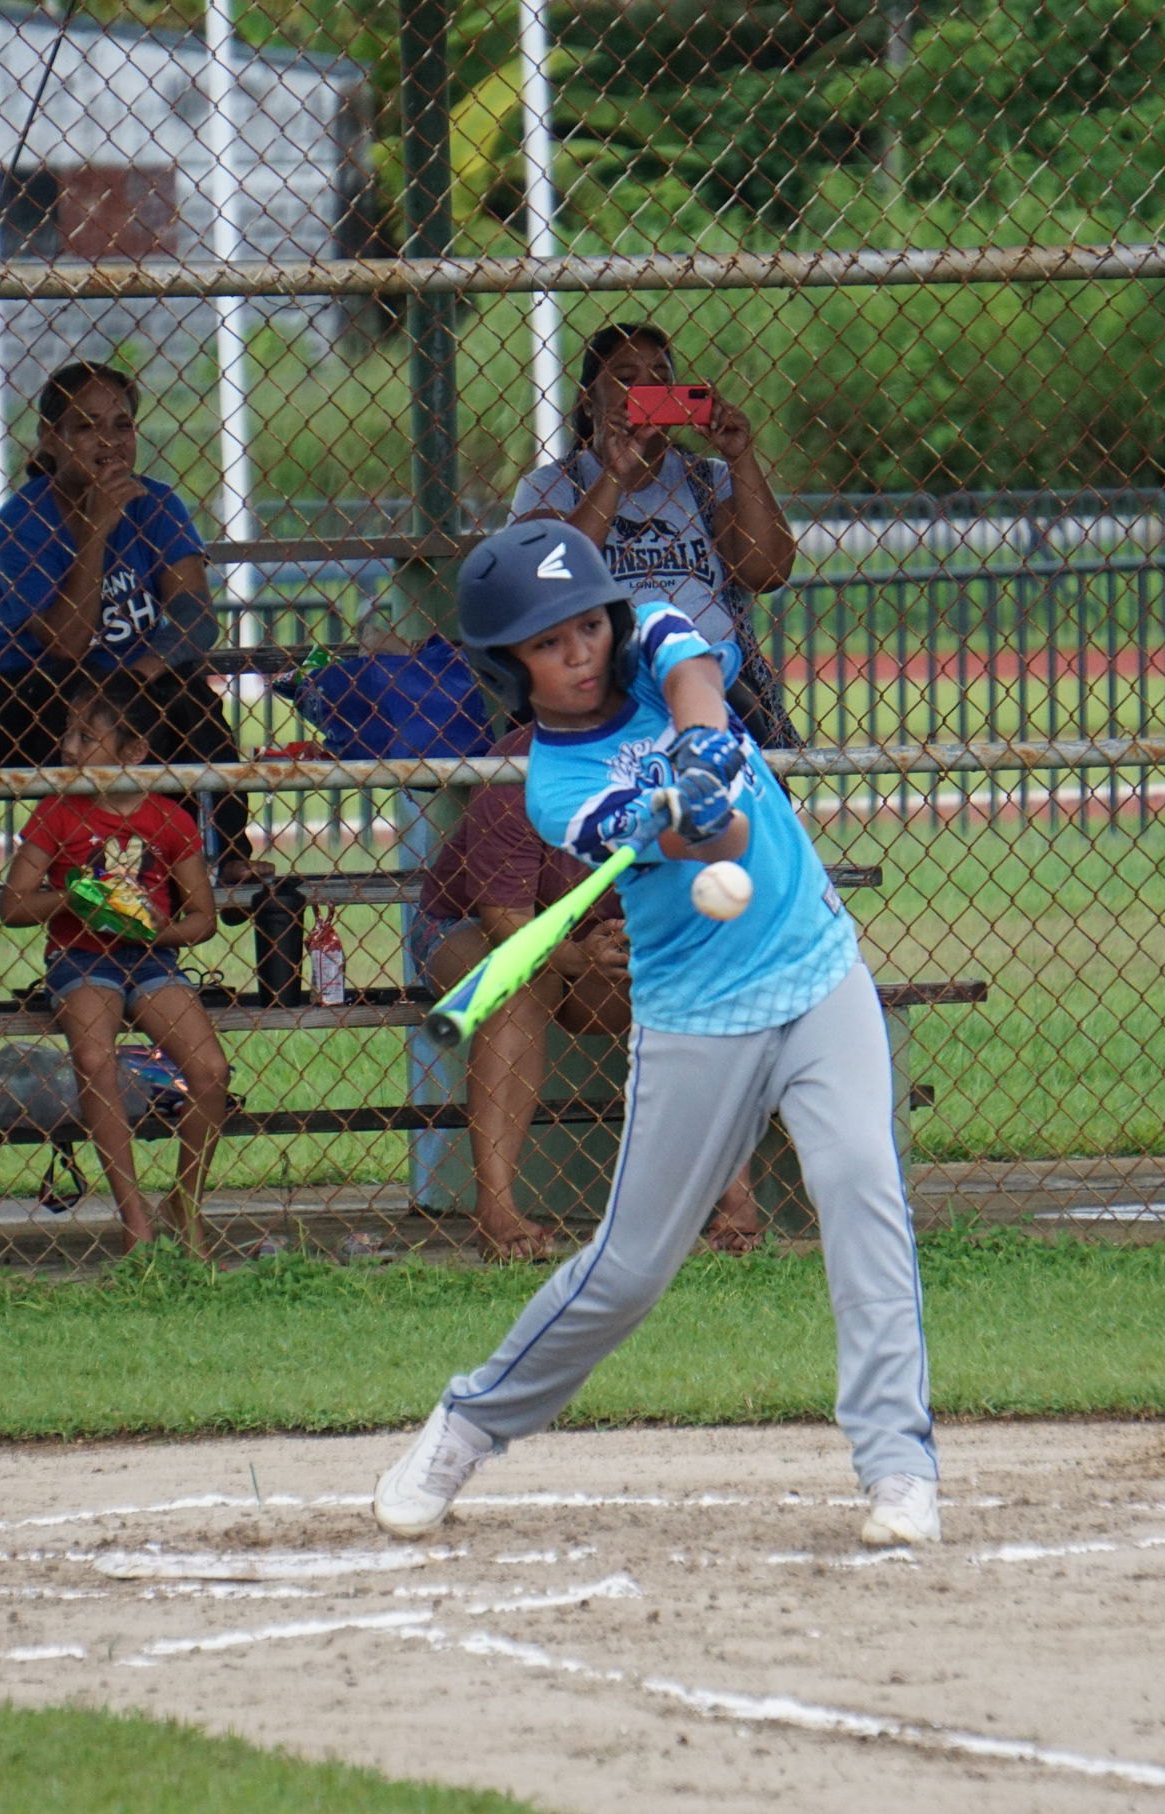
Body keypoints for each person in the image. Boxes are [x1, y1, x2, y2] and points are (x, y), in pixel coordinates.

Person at [373, 519, 939, 1549]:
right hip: (695, 1017)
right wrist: (692, 799)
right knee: (628, 1271)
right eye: (548, 640)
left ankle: (899, 1466)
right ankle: (466, 1423)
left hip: (815, 968)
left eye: (586, 623)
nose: (579, 648)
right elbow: (713, 834)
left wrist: (702, 742)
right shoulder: (558, 788)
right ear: (512, 662)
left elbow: (693, 682)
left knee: (862, 1184)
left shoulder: (656, 633)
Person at [414, 717, 762, 1261]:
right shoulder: (518, 766)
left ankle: (735, 1199)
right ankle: (497, 1209)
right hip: (474, 929)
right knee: (525, 979)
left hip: (605, 938)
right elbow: (507, 924)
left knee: (692, 981)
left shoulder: (676, 764)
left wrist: (632, 946)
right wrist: (579, 956)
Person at [0, 360, 270, 884]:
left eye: (122, 424)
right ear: (51, 439)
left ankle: (225, 854)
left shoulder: (157, 503)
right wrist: (98, 529)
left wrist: (141, 675)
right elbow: (65, 643)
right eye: (86, 425)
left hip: (125, 690)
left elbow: (196, 620)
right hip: (23, 698)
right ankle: (97, 867)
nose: (110, 439)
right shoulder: (23, 520)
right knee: (91, 701)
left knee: (190, 698)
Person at [0, 673, 231, 1257]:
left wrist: (158, 929)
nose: (69, 748)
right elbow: (14, 906)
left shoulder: (169, 819)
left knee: (209, 1072)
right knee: (93, 1056)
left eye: (86, 737)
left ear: (134, 753)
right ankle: (136, 1221)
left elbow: (202, 915)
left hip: (151, 959)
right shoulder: (56, 812)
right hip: (81, 958)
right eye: (68, 734)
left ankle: (184, 1202)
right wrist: (75, 897)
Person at [509, 320, 800, 751]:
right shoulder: (552, 485)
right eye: (626, 381)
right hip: (603, 685)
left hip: (710, 679)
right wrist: (614, 475)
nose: (646, 392)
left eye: (662, 380)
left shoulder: (706, 479)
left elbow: (768, 570)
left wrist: (740, 457)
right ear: (590, 404)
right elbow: (547, 582)